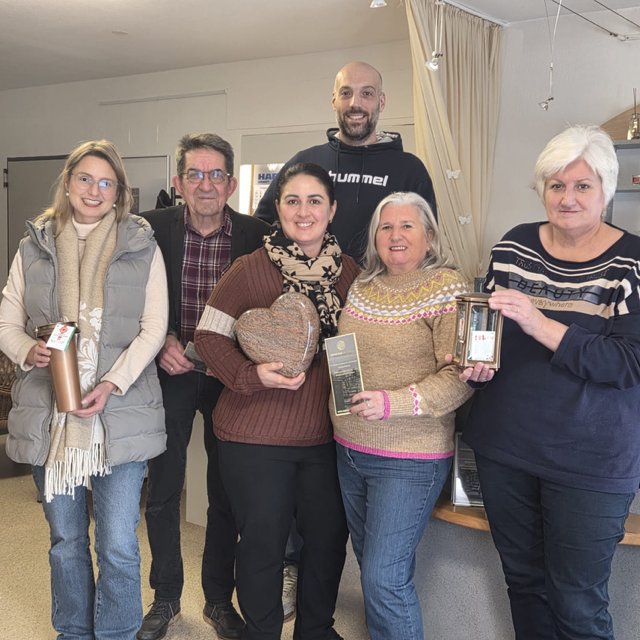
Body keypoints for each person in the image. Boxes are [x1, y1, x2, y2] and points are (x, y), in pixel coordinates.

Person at [462, 125, 640, 640]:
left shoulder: (631, 263)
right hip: (505, 448)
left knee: (578, 604)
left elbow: (629, 363)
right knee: (524, 585)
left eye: (583, 185)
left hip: (592, 460)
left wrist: (541, 324)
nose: (568, 198)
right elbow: (488, 336)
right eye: (556, 185)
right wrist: (476, 368)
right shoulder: (513, 247)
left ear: (606, 190)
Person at [0, 139, 168, 639]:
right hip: (51, 415)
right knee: (65, 539)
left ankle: (116, 634)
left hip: (119, 413)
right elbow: (7, 321)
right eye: (85, 179)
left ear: (120, 192)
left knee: (117, 543)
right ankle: (73, 632)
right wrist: (27, 350)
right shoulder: (34, 245)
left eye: (106, 183)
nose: (94, 191)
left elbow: (154, 327)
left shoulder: (140, 244)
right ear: (68, 182)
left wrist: (113, 382)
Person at [195, 162, 359, 640]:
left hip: (325, 437)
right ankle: (262, 632)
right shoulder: (250, 269)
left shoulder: (351, 274)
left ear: (331, 209)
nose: (303, 211)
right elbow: (208, 336)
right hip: (254, 436)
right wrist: (250, 376)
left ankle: (316, 630)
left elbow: (357, 348)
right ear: (279, 208)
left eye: (314, 201)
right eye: (292, 201)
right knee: (263, 544)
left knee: (327, 541)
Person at [138, 133, 270, 640]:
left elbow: (268, 309)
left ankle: (218, 599)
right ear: (179, 182)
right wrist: (158, 341)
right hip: (170, 373)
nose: (206, 184)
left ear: (231, 184)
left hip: (229, 380)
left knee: (226, 493)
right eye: (195, 174)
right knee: (164, 490)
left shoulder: (258, 235)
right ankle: (166, 596)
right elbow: (128, 298)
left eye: (216, 174)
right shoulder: (150, 229)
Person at [329, 191, 471, 640]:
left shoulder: (448, 287)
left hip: (409, 456)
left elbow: (462, 377)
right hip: (349, 450)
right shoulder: (363, 285)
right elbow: (346, 357)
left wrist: (393, 403)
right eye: (385, 227)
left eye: (407, 225)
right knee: (375, 571)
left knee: (383, 580)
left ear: (428, 235)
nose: (395, 235)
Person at [254, 61, 437, 264]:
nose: (354, 104)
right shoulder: (304, 162)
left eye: (366, 93)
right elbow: (260, 227)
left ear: (381, 102)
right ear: (334, 100)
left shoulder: (410, 170)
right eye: (346, 93)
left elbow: (425, 244)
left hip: (383, 284)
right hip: (307, 283)